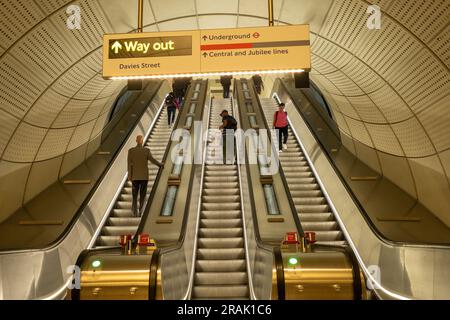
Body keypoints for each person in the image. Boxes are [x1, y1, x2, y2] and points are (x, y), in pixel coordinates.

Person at [128, 135, 164, 217]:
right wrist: (160, 165)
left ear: (136, 140)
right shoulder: (146, 151)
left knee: (134, 195)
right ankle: (141, 211)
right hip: (144, 176)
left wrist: (130, 175)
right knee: (143, 195)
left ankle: (134, 212)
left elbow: (129, 164)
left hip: (135, 177)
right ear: (142, 141)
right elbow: (153, 160)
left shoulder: (131, 151)